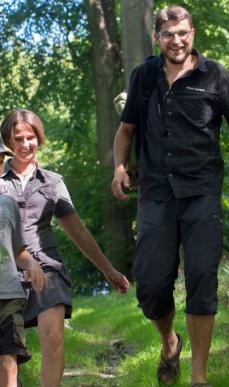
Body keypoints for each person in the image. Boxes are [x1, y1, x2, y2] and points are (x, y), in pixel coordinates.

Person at [111, 5, 229, 386]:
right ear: (157, 37)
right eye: (168, 34)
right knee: (150, 285)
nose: (176, 40)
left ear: (193, 33)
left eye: (182, 33)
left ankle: (198, 376)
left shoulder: (215, 76)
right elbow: (126, 129)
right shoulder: (144, 76)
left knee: (201, 277)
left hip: (202, 193)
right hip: (156, 194)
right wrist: (119, 167)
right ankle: (169, 342)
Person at [0, 109, 130, 387]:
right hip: (5, 273)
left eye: (30, 137)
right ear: (8, 142)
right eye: (18, 138)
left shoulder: (53, 182)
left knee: (54, 336)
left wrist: (108, 270)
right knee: (7, 357)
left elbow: (77, 230)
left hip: (47, 267)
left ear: (39, 138)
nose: (25, 144)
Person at [0, 158, 47, 387]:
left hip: (8, 294)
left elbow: (18, 250)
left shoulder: (8, 204)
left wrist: (32, 264)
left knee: (8, 358)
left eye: (0, 160)